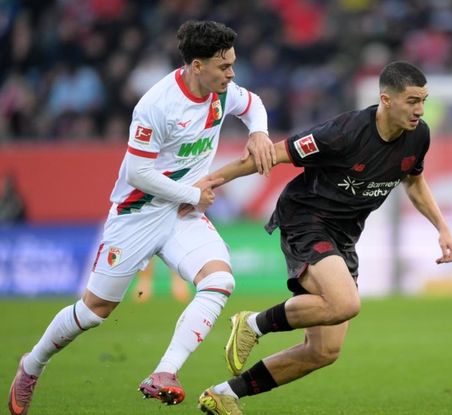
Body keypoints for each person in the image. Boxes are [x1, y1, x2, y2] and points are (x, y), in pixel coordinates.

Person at [8, 20, 276, 414]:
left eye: (233, 64)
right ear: (197, 65)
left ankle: (165, 372)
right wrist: (192, 193)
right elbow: (138, 173)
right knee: (94, 311)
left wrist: (259, 132)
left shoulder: (221, 92)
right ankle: (31, 366)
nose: (232, 74)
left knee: (219, 280)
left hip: (181, 215)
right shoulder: (157, 105)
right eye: (224, 66)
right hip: (137, 213)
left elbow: (253, 105)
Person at [191, 61, 452, 414]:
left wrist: (442, 227)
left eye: (423, 100)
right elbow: (273, 154)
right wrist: (212, 180)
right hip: (306, 219)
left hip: (344, 236)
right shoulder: (343, 133)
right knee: (346, 303)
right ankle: (253, 323)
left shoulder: (419, 135)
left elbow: (414, 180)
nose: (420, 110)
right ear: (386, 100)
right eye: (412, 101)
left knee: (323, 351)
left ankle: (224, 394)